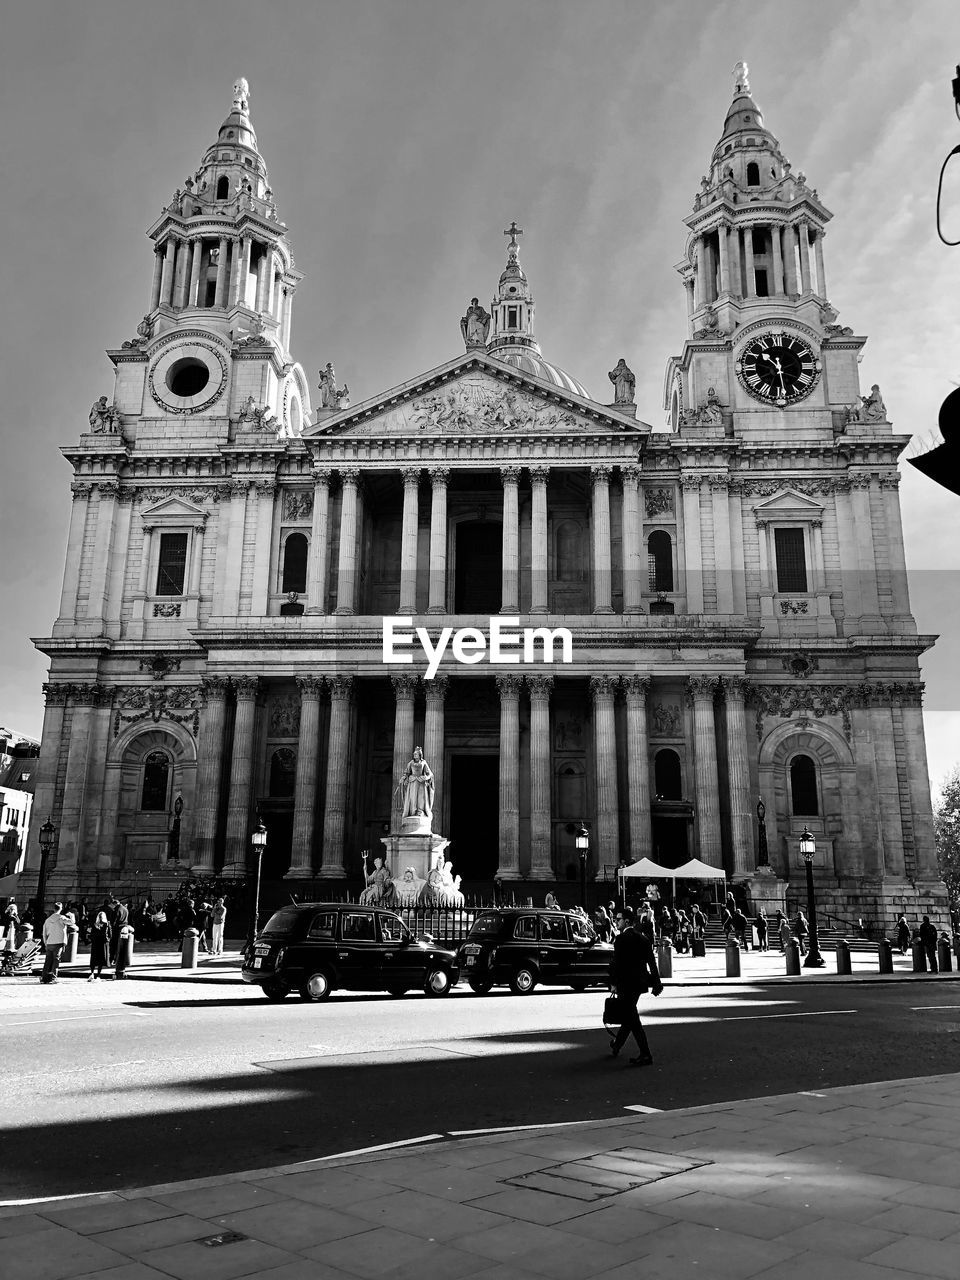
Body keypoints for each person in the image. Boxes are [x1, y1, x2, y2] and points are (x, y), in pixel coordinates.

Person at [608, 906, 663, 1066]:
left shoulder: (621, 939)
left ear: (626, 921)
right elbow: (652, 962)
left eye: (618, 919)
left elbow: (616, 964)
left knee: (633, 1019)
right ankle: (617, 1044)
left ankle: (646, 1054)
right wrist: (657, 982)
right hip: (639, 984)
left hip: (625, 984)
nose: (615, 922)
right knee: (628, 1015)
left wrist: (613, 983)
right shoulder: (643, 939)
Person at [41, 902, 70, 984]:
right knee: (56, 960)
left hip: (50, 942)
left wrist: (46, 943)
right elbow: (71, 922)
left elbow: (44, 933)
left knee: (47, 961)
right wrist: (72, 916)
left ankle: (44, 977)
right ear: (61, 909)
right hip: (59, 942)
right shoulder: (61, 918)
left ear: (54, 909)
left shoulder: (47, 920)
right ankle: (53, 977)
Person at [88, 909, 111, 981]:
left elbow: (91, 934)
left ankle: (92, 973)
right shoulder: (106, 924)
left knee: (94, 959)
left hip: (95, 943)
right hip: (103, 944)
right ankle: (98, 975)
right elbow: (110, 934)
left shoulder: (94, 924)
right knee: (101, 960)